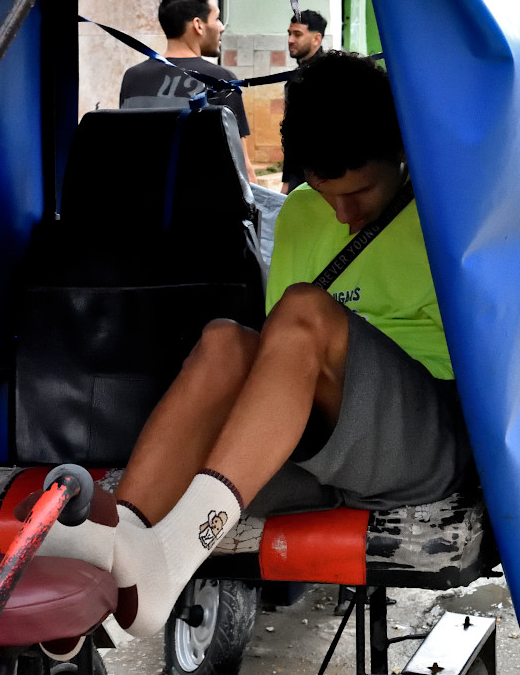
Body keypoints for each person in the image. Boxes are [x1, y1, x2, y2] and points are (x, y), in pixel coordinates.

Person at [39, 51, 473, 637]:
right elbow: (277, 357)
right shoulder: (298, 213)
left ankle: (175, 549)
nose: (343, 215)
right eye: (326, 193)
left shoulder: (450, 208)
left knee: (302, 311)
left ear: (401, 152)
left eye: (361, 193)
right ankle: (118, 545)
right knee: (224, 341)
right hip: (322, 453)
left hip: (418, 443)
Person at [120, 0, 257, 183]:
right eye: (217, 18)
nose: (221, 27)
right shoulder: (221, 80)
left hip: (142, 205)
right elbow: (242, 168)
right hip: (200, 208)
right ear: (198, 25)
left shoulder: (132, 78)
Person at [281, 9, 329, 193]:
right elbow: (291, 132)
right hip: (301, 173)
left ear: (316, 39)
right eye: (289, 33)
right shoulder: (296, 78)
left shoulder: (326, 75)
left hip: (323, 173)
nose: (290, 40)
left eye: (297, 34)